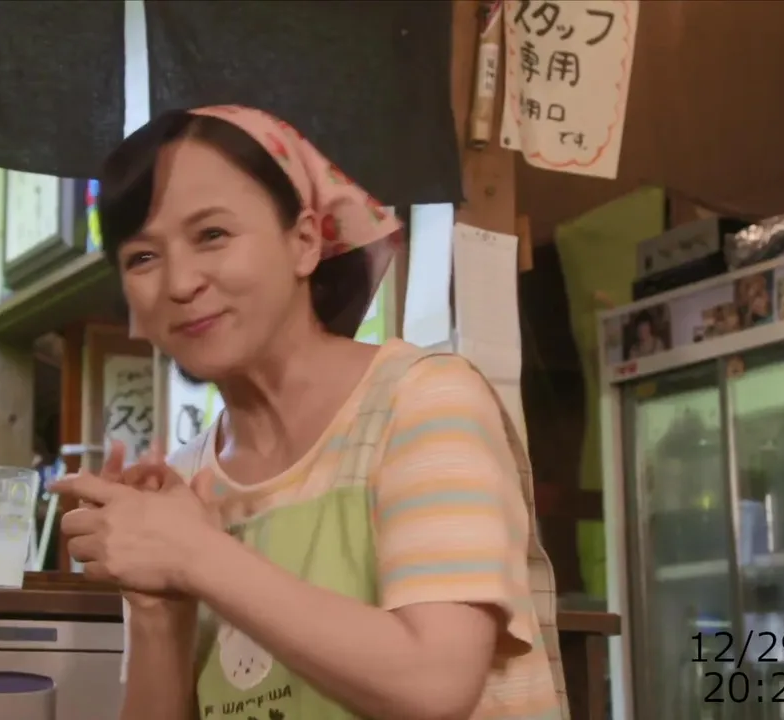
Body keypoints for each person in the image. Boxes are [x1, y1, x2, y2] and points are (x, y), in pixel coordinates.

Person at [51, 106, 566, 720]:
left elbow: (434, 684)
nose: (180, 282)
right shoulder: (182, 486)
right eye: (142, 257)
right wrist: (159, 610)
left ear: (303, 242)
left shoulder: (421, 401)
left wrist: (194, 556)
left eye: (211, 234)